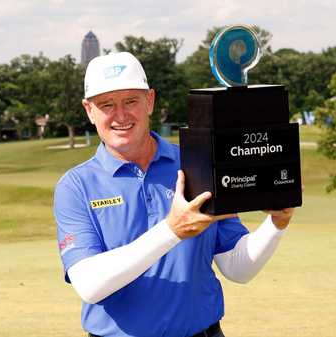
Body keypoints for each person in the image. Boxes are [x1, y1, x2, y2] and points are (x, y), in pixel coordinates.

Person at [54, 52, 295, 337]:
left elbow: (237, 268)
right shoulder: (76, 186)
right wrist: (172, 230)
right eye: (107, 105)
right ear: (89, 111)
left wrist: (277, 224)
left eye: (131, 100)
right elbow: (90, 285)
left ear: (150, 101)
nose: (120, 115)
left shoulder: (198, 164)